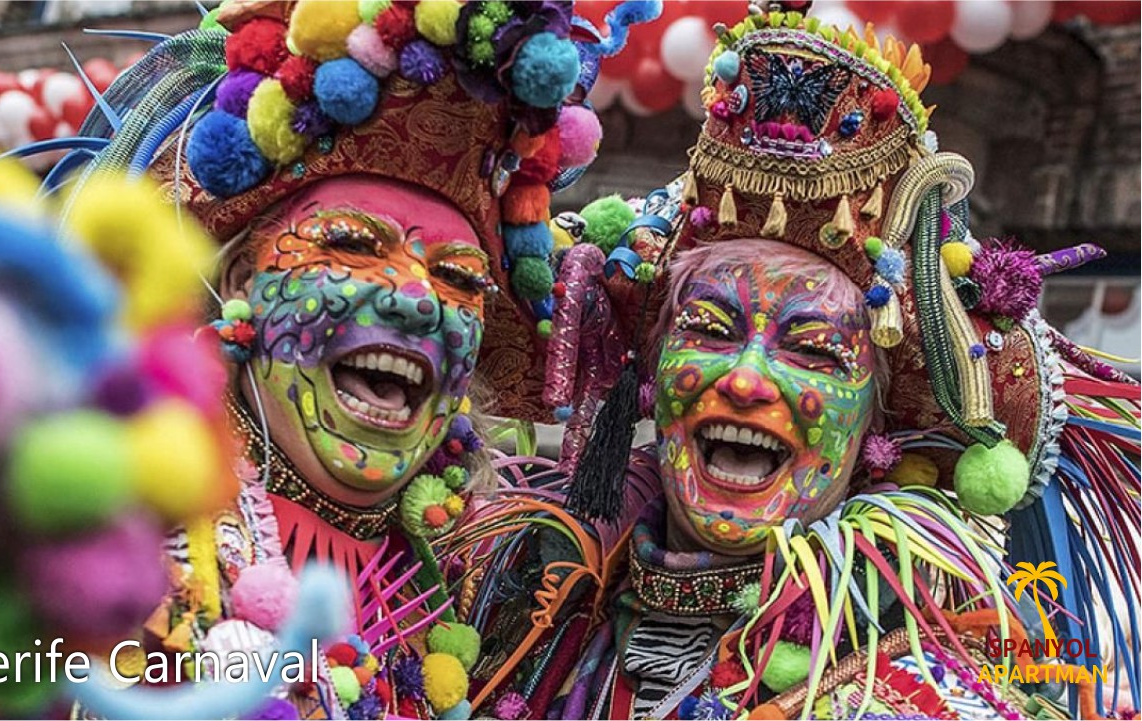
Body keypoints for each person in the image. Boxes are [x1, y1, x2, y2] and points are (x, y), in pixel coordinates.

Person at [446, 7, 1141, 720]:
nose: (745, 380)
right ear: (652, 371)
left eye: (813, 349)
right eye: (709, 329)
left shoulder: (930, 694)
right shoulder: (513, 606)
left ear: (877, 418)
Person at [46, 1, 659, 719]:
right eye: (354, 245)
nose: (416, 300)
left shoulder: (488, 597)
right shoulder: (103, 521)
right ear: (242, 281)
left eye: (459, 278)